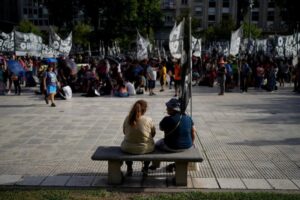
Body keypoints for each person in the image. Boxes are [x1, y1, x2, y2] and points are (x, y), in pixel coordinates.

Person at [149, 98, 196, 172]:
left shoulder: (167, 119)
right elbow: (193, 132)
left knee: (156, 145)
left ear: (171, 109)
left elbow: (161, 128)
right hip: (188, 146)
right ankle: (175, 165)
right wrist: (191, 144)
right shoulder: (188, 118)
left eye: (167, 107)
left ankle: (155, 165)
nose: (166, 109)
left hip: (172, 146)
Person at [121, 100, 156, 176]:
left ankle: (129, 167)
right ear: (145, 109)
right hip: (145, 148)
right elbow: (153, 134)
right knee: (150, 146)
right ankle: (146, 167)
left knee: (128, 147)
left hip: (127, 148)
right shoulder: (148, 119)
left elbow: (124, 132)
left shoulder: (127, 118)